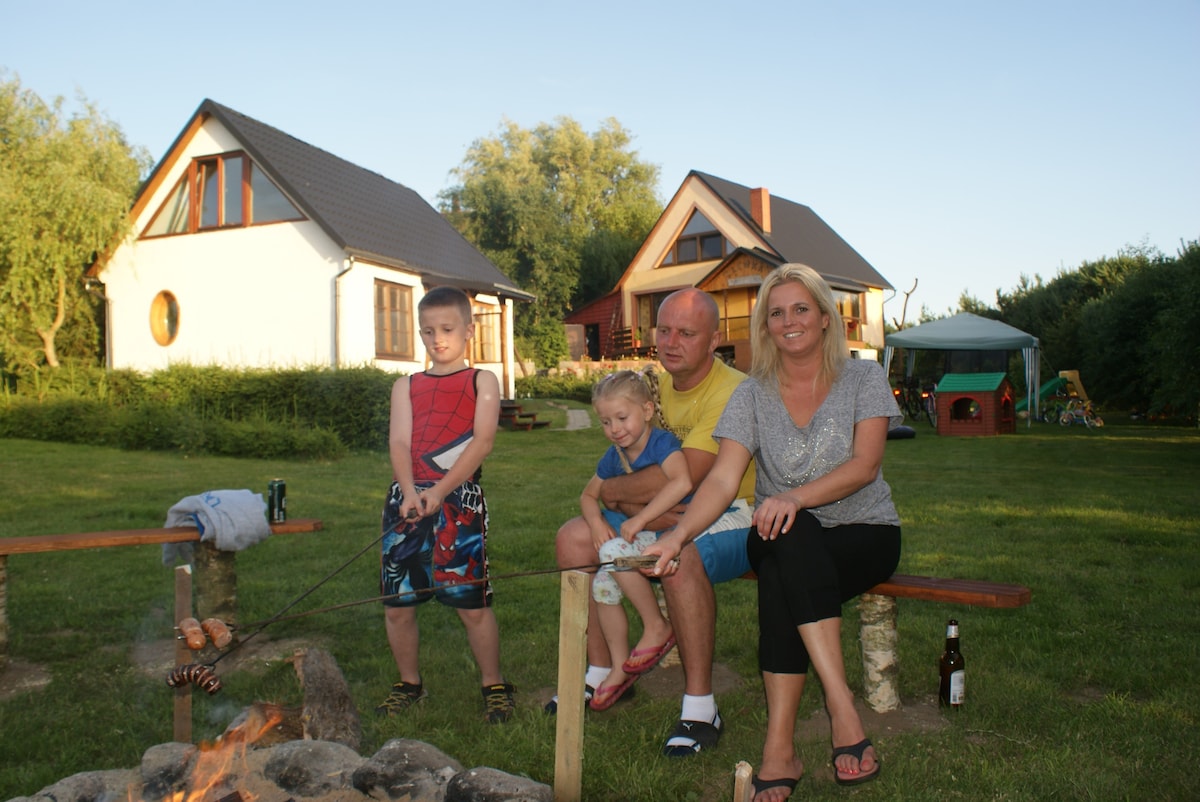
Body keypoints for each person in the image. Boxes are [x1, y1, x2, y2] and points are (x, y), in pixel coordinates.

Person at [643, 264, 902, 799]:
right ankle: (841, 710)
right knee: (790, 539)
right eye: (776, 312)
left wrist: (792, 497)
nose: (789, 321)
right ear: (764, 325)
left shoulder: (863, 377)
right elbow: (719, 479)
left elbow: (865, 466)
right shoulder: (752, 394)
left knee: (786, 567)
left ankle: (781, 748)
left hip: (864, 531)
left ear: (825, 317)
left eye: (800, 308)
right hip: (782, 532)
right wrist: (679, 535)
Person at [549, 288, 757, 759]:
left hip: (732, 512)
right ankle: (601, 670)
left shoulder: (733, 391)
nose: (672, 341)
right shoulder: (648, 388)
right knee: (573, 538)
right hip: (661, 513)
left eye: (687, 332)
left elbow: (691, 480)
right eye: (664, 330)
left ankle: (700, 708)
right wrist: (625, 502)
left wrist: (622, 499)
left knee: (677, 556)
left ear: (714, 339)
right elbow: (602, 482)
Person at [375, 285, 514, 724]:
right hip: (406, 502)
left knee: (471, 604)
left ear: (469, 330)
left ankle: (493, 684)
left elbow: (482, 440)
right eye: (427, 331)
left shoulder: (482, 380)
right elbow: (399, 441)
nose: (437, 339)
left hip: (460, 502)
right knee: (398, 603)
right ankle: (409, 683)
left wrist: (440, 491)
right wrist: (409, 491)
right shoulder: (406, 386)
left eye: (447, 329)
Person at [580, 370, 689, 711]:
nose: (614, 429)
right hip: (645, 537)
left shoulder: (662, 444)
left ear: (646, 409)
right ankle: (618, 666)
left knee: (611, 553)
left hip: (673, 537)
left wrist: (640, 518)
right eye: (605, 421)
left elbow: (682, 482)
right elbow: (587, 495)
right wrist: (596, 520)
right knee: (602, 584)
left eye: (621, 418)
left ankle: (657, 625)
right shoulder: (615, 456)